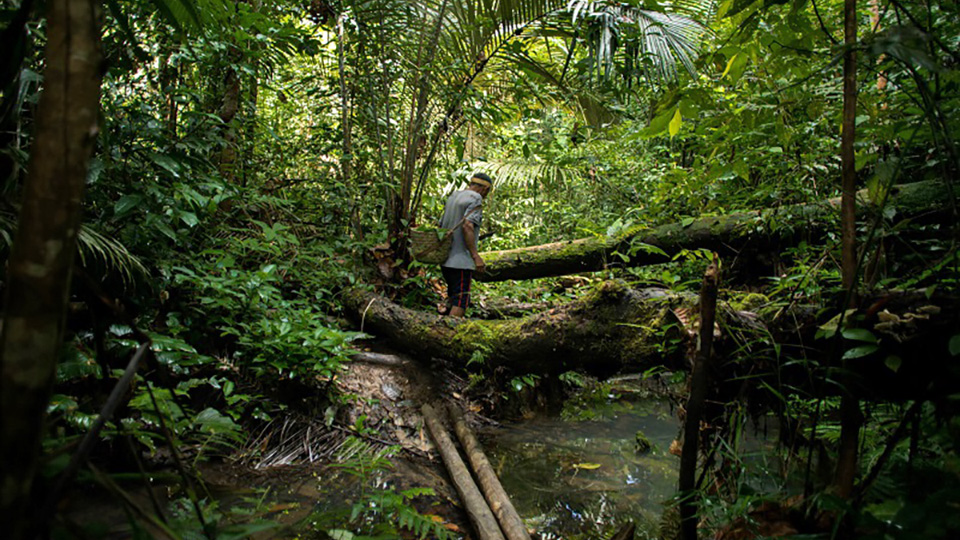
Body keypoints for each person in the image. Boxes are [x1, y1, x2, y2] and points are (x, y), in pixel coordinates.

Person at [438, 172, 493, 317]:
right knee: (461, 300)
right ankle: (451, 333)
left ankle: (442, 329)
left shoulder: (454, 196)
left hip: (445, 259)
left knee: (453, 296)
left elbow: (441, 224)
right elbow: (467, 226)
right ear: (485, 189)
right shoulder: (476, 198)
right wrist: (475, 256)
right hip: (460, 261)